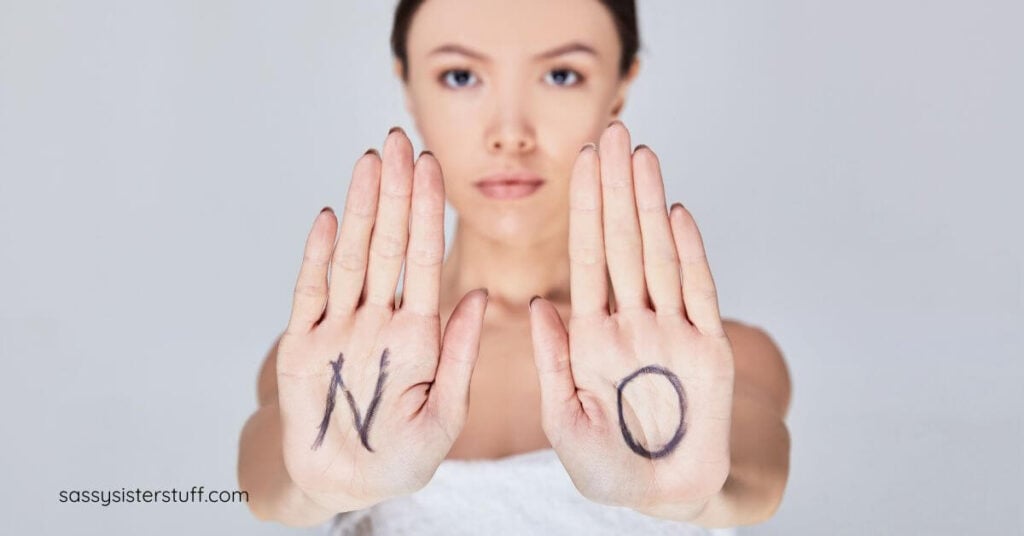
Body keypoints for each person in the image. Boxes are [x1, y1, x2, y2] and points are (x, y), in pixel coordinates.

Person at [237, 0, 792, 534]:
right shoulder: (335, 363)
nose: (510, 133)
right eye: (460, 76)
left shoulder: (713, 358)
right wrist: (314, 489)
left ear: (621, 86)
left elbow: (754, 483)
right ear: (407, 85)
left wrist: (699, 496)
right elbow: (264, 486)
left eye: (561, 75)